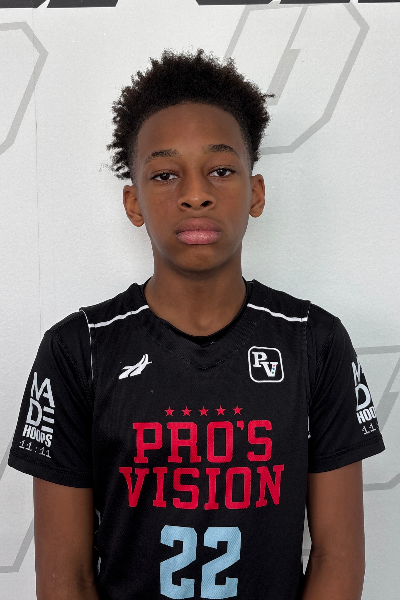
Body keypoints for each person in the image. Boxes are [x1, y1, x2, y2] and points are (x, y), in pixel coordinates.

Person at [8, 48, 384, 600]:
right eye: (165, 174)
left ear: (255, 192)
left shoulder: (314, 341)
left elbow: (339, 556)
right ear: (133, 203)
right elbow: (66, 575)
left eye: (221, 170)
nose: (195, 193)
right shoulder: (77, 350)